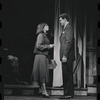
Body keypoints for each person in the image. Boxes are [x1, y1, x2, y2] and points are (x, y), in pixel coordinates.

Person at [31, 23, 54, 98]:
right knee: (42, 74)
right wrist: (49, 46)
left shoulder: (45, 35)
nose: (48, 26)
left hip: (43, 56)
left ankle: (41, 90)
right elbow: (38, 46)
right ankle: (44, 91)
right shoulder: (41, 35)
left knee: (42, 73)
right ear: (42, 27)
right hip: (40, 56)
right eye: (46, 25)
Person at [59, 13, 75, 99]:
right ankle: (68, 93)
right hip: (66, 56)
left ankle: (68, 94)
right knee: (67, 75)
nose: (60, 22)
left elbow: (69, 42)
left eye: (60, 20)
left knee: (67, 75)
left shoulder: (69, 28)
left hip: (67, 56)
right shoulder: (66, 28)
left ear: (65, 19)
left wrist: (65, 55)